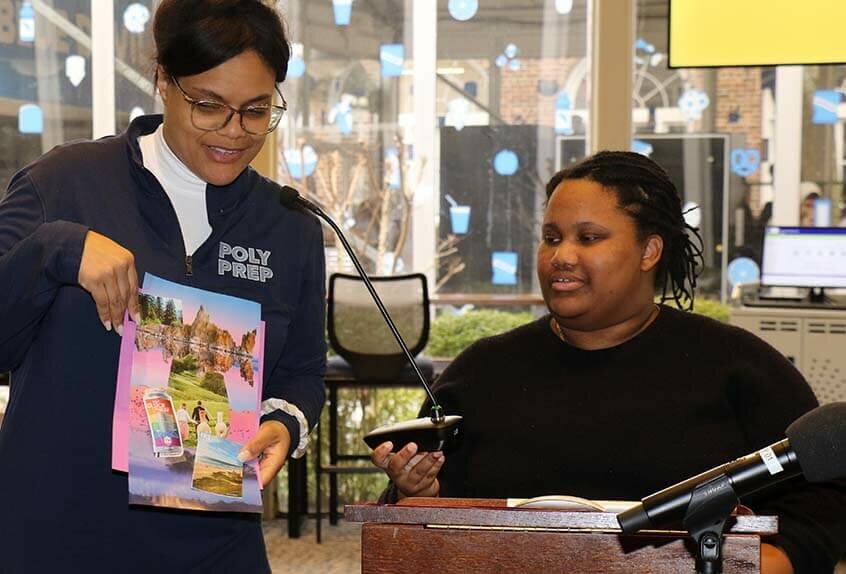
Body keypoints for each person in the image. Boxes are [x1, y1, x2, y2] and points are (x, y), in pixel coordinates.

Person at [371, 152, 846, 573]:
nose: (562, 256)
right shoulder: (480, 374)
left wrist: (758, 564)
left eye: (589, 237)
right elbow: (427, 521)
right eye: (551, 237)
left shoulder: (741, 370)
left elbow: (821, 504)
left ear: (649, 251)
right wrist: (418, 494)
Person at [0, 1, 326, 571]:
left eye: (256, 111)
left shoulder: (289, 224)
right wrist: (54, 249)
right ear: (162, 83)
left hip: (213, 545)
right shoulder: (63, 183)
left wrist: (283, 422)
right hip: (58, 537)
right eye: (209, 107)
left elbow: (300, 371)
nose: (234, 132)